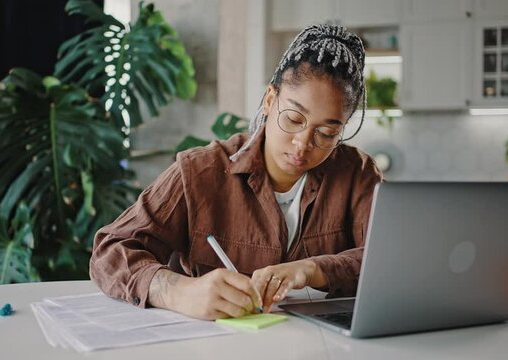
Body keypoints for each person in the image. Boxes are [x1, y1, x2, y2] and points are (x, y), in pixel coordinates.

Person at [90, 24, 383, 320]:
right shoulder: (199, 171)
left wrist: (314, 270)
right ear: (270, 100)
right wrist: (177, 291)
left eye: (327, 133)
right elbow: (110, 251)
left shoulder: (358, 176)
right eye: (294, 118)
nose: (303, 144)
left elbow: (394, 260)